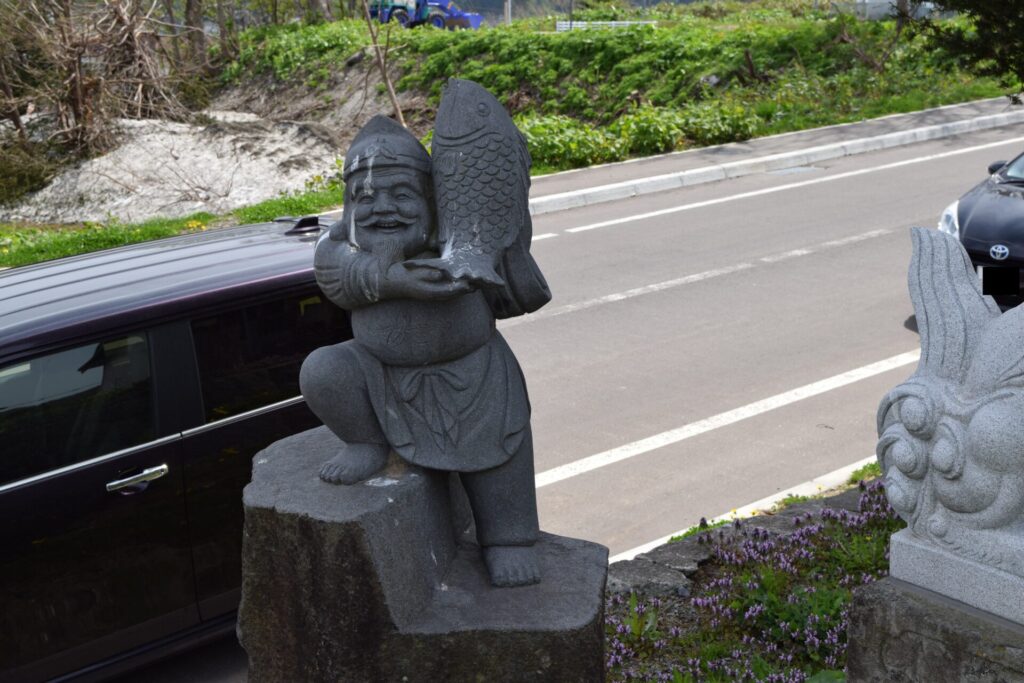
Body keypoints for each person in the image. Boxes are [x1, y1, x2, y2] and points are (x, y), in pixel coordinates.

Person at [300, 115, 542, 586]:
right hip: (379, 374)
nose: (382, 208)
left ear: (432, 203)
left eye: (402, 195)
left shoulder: (458, 241)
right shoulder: (343, 248)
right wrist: (389, 279)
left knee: (502, 454)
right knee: (323, 370)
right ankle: (367, 441)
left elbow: (515, 289)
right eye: (364, 197)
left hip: (474, 376)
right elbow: (332, 275)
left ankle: (509, 536)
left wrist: (500, 239)